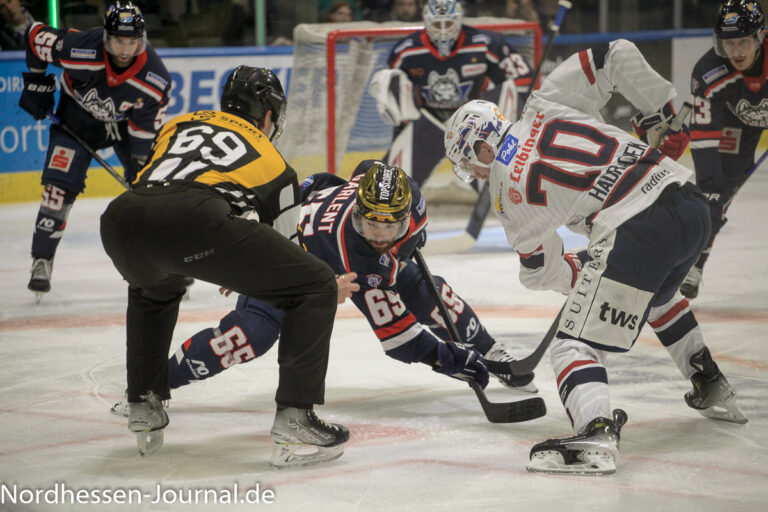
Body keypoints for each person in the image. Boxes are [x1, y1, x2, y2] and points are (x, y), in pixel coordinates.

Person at [443, 39, 748, 475]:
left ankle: (594, 432)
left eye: (468, 163)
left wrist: (581, 269)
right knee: (656, 295)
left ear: (481, 150)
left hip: (638, 229)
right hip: (690, 203)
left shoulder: (506, 194)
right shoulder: (544, 101)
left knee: (572, 344)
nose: (472, 173)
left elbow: (539, 271)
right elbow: (616, 54)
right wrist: (658, 112)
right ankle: (710, 381)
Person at [110, 160, 538, 420]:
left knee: (430, 289)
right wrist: (448, 359)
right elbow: (398, 339)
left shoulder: (402, 200)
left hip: (318, 252)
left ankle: (492, 351)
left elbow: (336, 176)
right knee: (245, 339)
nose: (380, 233)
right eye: (371, 223)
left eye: (391, 224)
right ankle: (151, 386)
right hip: (282, 266)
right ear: (358, 216)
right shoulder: (357, 254)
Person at [99, 65, 352, 467]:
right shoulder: (273, 160)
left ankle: (143, 402)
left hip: (121, 222)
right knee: (317, 283)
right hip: (197, 222)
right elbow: (292, 265)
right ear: (269, 114)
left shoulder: (179, 123)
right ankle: (295, 415)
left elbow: (167, 180)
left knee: (154, 289)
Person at [18, 1, 170, 303]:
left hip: (121, 126)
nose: (125, 49)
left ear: (142, 40)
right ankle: (42, 259)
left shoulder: (154, 81)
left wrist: (140, 172)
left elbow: (143, 140)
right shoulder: (79, 49)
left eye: (132, 42)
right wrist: (37, 82)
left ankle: (167, 261)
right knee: (57, 190)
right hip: (75, 120)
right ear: (105, 37)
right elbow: (34, 35)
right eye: (118, 41)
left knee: (148, 187)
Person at [368, 0, 533, 186]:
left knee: (496, 186)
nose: (444, 30)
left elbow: (523, 76)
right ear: (427, 21)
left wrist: (519, 119)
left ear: (459, 20)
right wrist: (401, 124)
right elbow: (392, 88)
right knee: (394, 183)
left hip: (472, 123)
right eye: (438, 24)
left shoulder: (485, 44)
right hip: (429, 118)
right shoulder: (406, 50)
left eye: (449, 23)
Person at [680, 0, 768, 299]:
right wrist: (710, 188)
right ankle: (694, 264)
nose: (737, 51)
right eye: (729, 43)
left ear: (760, 36)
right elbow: (704, 137)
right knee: (717, 194)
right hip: (735, 124)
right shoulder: (709, 72)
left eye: (743, 41)